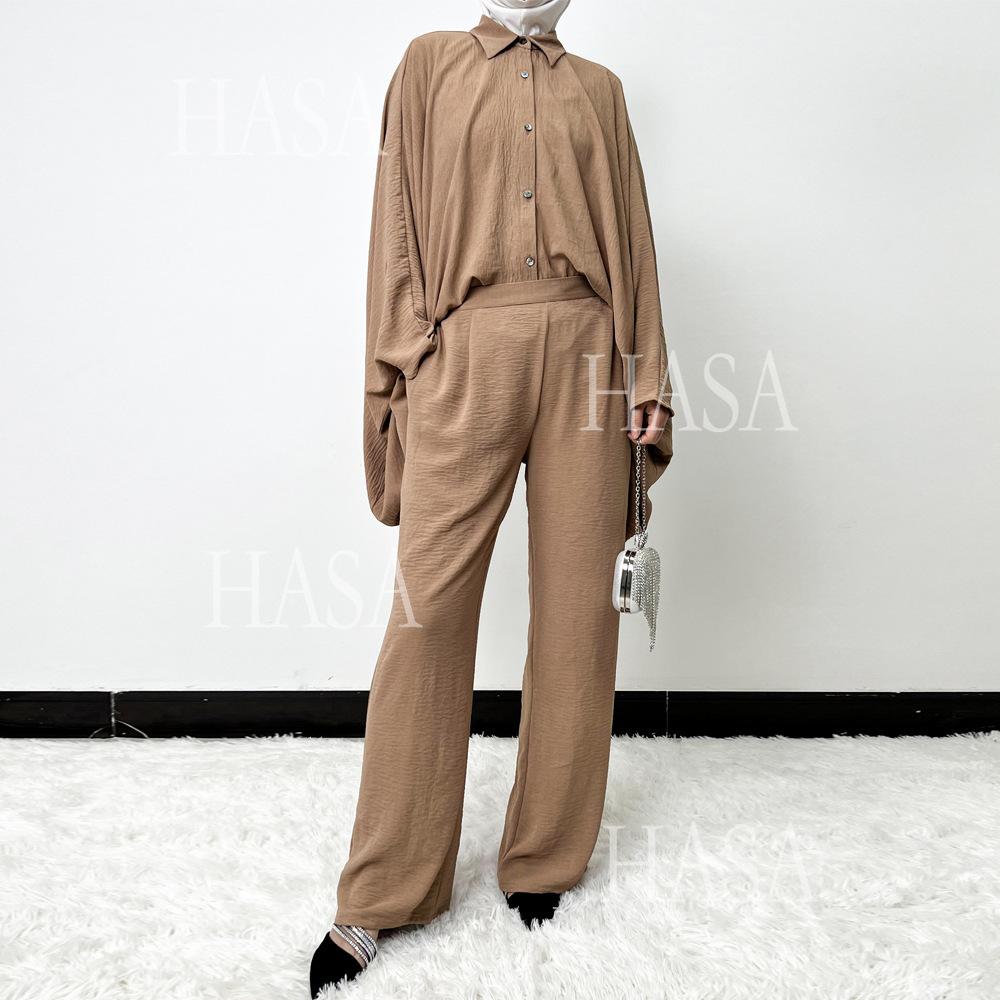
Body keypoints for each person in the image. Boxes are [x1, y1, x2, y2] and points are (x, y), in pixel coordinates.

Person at [310, 1, 674, 993]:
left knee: (577, 617)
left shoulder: (599, 90)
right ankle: (386, 888)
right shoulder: (428, 63)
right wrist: (408, 358)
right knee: (426, 612)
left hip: (588, 353)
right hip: (463, 350)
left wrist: (647, 376)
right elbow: (395, 221)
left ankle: (544, 859)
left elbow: (634, 238)